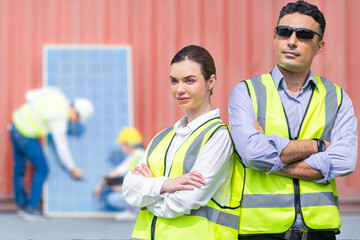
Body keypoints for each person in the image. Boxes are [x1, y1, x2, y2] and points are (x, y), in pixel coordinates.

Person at [229, 1, 358, 239]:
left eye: (304, 34)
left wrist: (271, 158)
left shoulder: (337, 98)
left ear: (320, 46)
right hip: (261, 231)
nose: (291, 40)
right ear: (275, 37)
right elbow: (251, 154)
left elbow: (345, 161)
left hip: (320, 231)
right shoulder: (246, 92)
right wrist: (317, 146)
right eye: (284, 31)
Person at [122, 45, 243, 240]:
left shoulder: (218, 137)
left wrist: (148, 195)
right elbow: (128, 189)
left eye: (189, 81)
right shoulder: (161, 138)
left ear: (210, 81)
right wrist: (166, 184)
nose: (180, 89)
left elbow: (187, 200)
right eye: (174, 81)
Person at [9, 87, 94, 220]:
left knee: (19, 169)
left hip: (15, 125)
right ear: (75, 112)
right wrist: (72, 168)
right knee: (43, 169)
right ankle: (31, 209)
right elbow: (62, 148)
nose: (74, 121)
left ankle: (22, 206)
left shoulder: (57, 94)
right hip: (26, 134)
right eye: (77, 119)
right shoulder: (59, 118)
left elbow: (29, 95)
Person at [94, 127, 145, 221]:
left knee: (112, 198)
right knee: (115, 189)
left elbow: (117, 172)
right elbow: (117, 172)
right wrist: (103, 183)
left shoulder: (137, 155)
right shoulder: (138, 154)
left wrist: (101, 184)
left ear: (128, 144)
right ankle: (132, 211)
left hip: (141, 191)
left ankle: (138, 211)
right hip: (140, 190)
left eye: (123, 144)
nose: (122, 147)